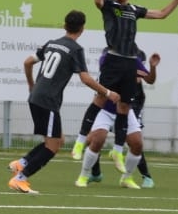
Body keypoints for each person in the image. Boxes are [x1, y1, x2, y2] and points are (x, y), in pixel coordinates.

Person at [76, 0, 178, 188]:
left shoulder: (135, 10)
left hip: (127, 69)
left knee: (135, 138)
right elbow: (97, 1)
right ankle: (82, 162)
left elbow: (161, 14)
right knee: (98, 126)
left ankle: (125, 172)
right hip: (113, 71)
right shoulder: (109, 5)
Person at [7, 10, 118, 195]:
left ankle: (22, 163)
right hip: (47, 101)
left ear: (64, 25)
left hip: (36, 98)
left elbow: (27, 62)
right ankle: (20, 178)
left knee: (58, 139)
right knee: (53, 146)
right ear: (82, 28)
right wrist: (107, 92)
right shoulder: (75, 49)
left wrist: (31, 85)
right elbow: (85, 78)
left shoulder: (51, 43)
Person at [89, 52, 160, 187]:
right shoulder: (109, 63)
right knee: (94, 139)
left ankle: (143, 176)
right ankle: (95, 173)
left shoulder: (136, 87)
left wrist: (152, 67)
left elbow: (148, 80)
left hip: (126, 110)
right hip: (106, 110)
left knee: (135, 142)